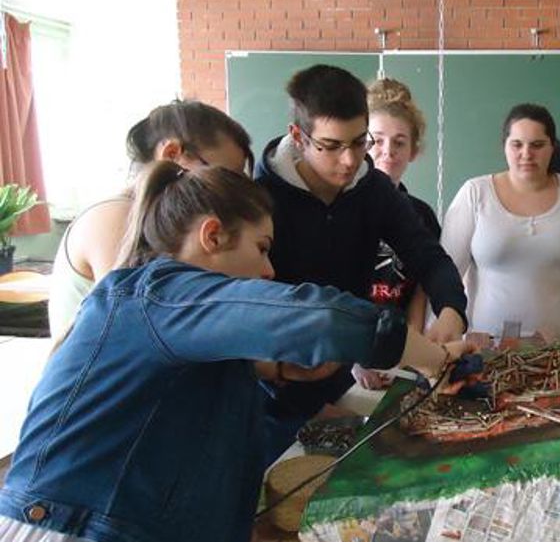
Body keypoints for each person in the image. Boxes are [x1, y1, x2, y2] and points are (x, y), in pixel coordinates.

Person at [0, 162, 467, 542]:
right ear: (212, 236)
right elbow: (326, 319)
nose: (268, 271)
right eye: (261, 249)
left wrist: (278, 369)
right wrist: (434, 359)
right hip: (73, 528)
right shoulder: (158, 294)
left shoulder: (168, 312)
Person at [253, 65, 467, 446]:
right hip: (274, 396)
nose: (351, 160)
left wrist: (451, 307)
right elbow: (253, 316)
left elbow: (427, 255)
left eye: (358, 142)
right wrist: (304, 406)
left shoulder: (373, 188)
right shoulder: (261, 198)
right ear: (298, 136)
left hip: (340, 382)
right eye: (332, 145)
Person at [47, 100, 254, 339]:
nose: (231, 193)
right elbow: (135, 324)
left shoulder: (160, 219)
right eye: (224, 176)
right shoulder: (114, 216)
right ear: (172, 154)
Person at [441, 103, 560, 340]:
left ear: (553, 147)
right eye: (517, 144)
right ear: (504, 146)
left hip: (559, 352)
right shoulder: (476, 193)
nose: (527, 154)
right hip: (484, 350)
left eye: (537, 145)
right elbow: (446, 272)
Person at [353, 78, 441, 390]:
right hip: (344, 354)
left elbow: (420, 290)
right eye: (377, 141)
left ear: (413, 151)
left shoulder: (421, 215)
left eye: (399, 142)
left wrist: (406, 350)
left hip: (398, 353)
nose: (388, 151)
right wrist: (353, 359)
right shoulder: (342, 208)